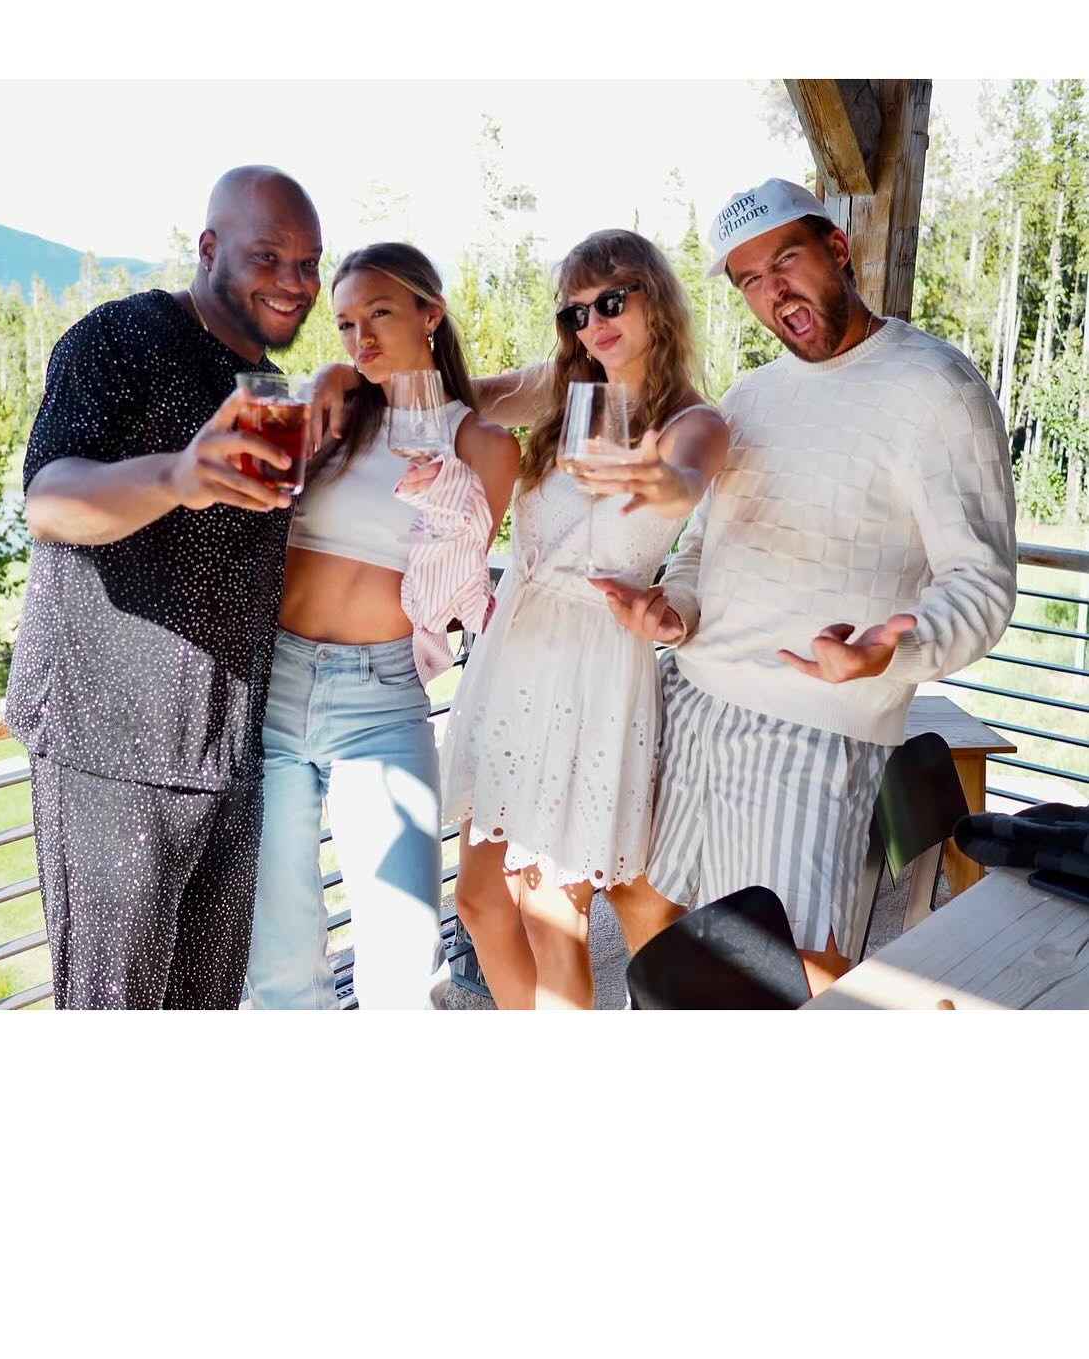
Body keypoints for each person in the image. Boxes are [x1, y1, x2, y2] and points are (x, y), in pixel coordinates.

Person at [594, 178, 1017, 993]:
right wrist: (673, 610)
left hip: (812, 723)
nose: (773, 291)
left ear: (838, 249)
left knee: (790, 968)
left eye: (786, 261)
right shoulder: (749, 397)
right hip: (690, 698)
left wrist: (894, 651)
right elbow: (700, 549)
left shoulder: (938, 388)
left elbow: (981, 583)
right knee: (640, 897)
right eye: (750, 279)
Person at [5, 165, 323, 1010]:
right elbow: (50, 500)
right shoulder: (120, 337)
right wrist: (180, 475)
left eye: (308, 263)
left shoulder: (265, 391)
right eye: (269, 256)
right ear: (209, 248)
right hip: (109, 755)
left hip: (228, 759)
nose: (295, 282)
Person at [439, 231, 728, 1009]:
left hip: (593, 668)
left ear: (654, 300)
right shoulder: (561, 389)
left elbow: (683, 478)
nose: (593, 324)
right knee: (478, 900)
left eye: (610, 301)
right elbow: (456, 396)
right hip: (513, 655)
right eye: (575, 312)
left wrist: (649, 475)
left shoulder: (695, 419)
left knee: (551, 914)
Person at [240, 242, 518, 1010]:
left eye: (379, 313)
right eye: (344, 323)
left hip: (379, 697)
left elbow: (453, 594)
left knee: (401, 953)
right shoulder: (329, 416)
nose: (359, 337)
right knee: (278, 959)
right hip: (273, 683)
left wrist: (442, 487)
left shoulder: (481, 445)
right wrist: (323, 385)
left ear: (431, 313)